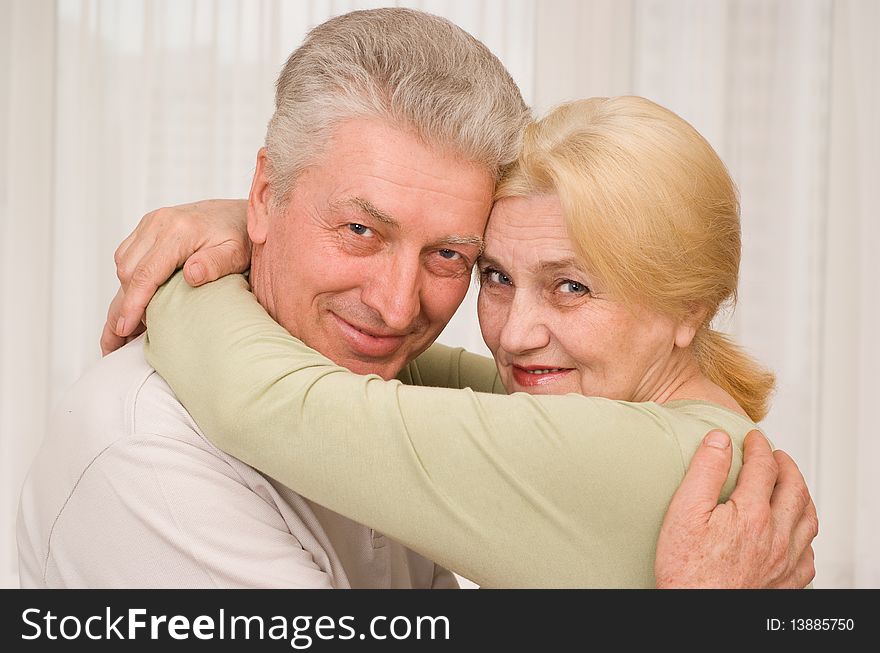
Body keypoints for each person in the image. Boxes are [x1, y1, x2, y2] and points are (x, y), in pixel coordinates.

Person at [18, 8, 815, 588]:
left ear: (690, 309)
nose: (398, 308)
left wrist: (193, 271)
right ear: (269, 191)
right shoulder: (146, 457)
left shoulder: (625, 452)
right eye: (496, 276)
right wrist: (244, 228)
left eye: (448, 254)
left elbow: (268, 403)